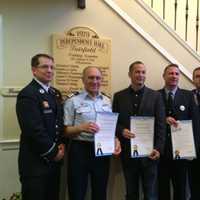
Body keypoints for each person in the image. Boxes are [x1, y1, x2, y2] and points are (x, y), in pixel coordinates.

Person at [64, 66, 121, 200]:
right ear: (83, 79)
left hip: (102, 151)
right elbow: (64, 131)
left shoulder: (107, 100)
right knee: (77, 191)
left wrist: (116, 140)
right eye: (90, 77)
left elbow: (110, 127)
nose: (94, 81)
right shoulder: (72, 100)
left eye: (98, 78)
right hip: (80, 149)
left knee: (100, 191)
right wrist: (81, 127)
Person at [112, 61, 166, 200]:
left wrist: (158, 149)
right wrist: (121, 130)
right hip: (128, 154)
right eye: (137, 72)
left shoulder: (156, 96)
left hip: (150, 154)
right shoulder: (119, 96)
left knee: (151, 194)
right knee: (131, 193)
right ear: (130, 74)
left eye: (143, 72)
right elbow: (114, 123)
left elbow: (161, 125)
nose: (140, 75)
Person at [16, 53, 65, 200]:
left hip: (54, 163)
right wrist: (53, 152)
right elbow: (33, 130)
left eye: (51, 67)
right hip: (35, 164)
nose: (49, 70)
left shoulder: (54, 93)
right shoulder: (28, 94)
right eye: (44, 66)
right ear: (34, 70)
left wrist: (61, 144)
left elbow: (59, 123)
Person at [158, 63, 198, 200]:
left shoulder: (188, 96)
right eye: (170, 73)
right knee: (162, 189)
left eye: (176, 74)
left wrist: (193, 149)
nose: (174, 76)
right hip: (161, 151)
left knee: (180, 189)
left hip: (181, 153)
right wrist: (163, 119)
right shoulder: (155, 95)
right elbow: (152, 120)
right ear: (164, 76)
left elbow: (195, 123)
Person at [190, 67, 200, 200]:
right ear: (192, 79)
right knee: (194, 183)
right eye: (197, 76)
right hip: (193, 147)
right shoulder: (188, 96)